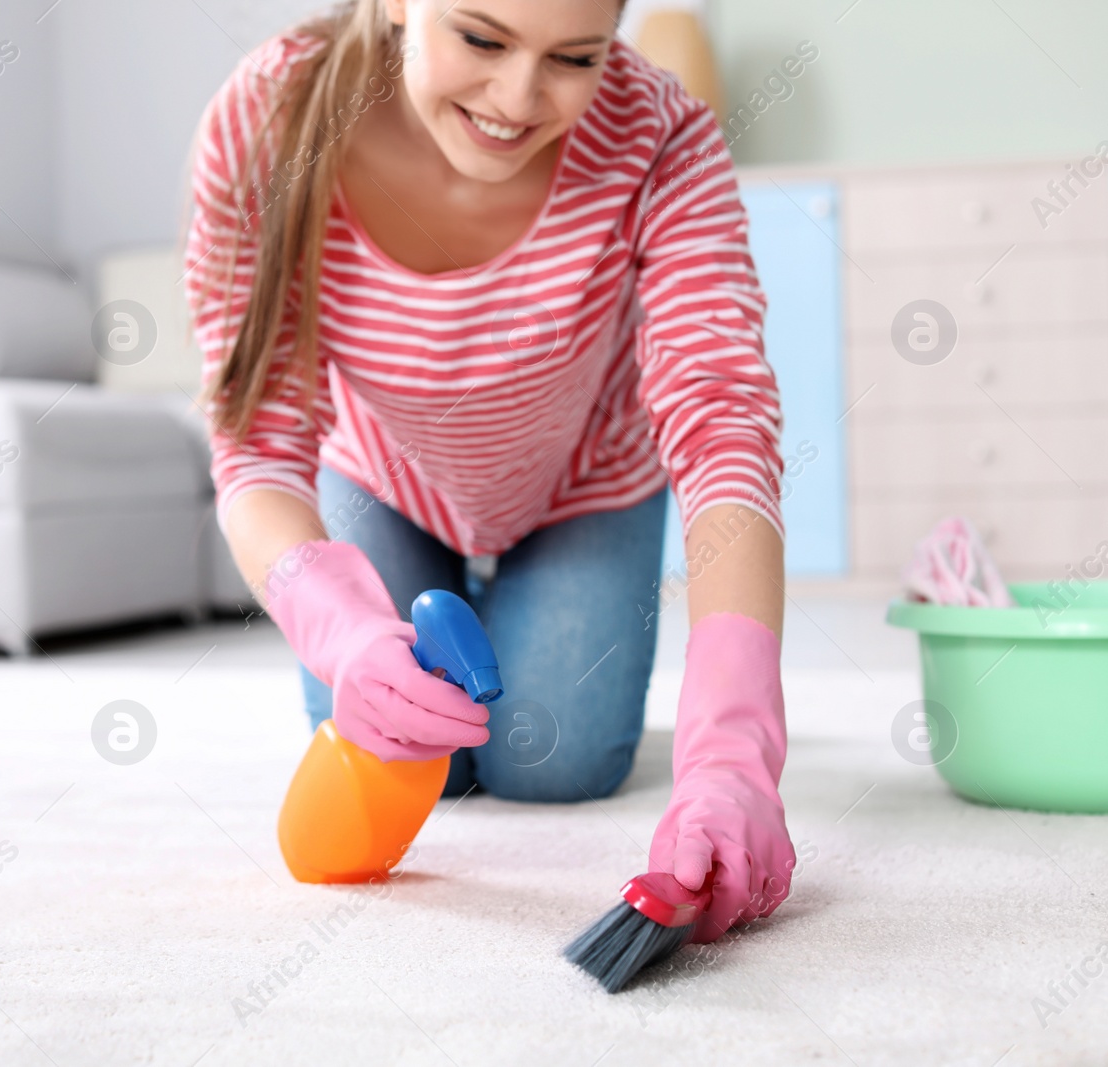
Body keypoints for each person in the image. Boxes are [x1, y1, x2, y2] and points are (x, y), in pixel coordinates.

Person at [182, 0, 795, 942]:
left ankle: (513, 618)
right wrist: (342, 633)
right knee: (410, 744)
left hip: (583, 482)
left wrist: (734, 750)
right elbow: (257, 448)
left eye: (575, 57)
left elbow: (724, 429)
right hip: (384, 477)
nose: (517, 98)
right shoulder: (268, 119)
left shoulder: (665, 139)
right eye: (480, 38)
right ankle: (430, 613)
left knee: (553, 762)